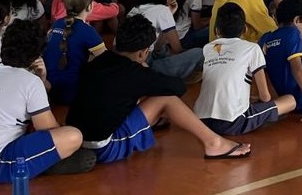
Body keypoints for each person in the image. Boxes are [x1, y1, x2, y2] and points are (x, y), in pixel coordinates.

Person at [67, 16, 252, 163]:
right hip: (103, 146)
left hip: (75, 139)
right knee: (167, 99)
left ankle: (155, 122)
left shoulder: (97, 61)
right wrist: (146, 70)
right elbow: (177, 87)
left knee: (129, 95)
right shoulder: (135, 73)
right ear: (143, 52)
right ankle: (214, 142)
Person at [0, 21, 88, 182]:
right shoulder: (30, 82)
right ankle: (44, 164)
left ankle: (42, 160)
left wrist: (41, 79)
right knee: (73, 136)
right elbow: (47, 129)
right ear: (38, 53)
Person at [195, 3, 296, 136]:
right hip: (233, 122)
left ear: (217, 31)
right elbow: (265, 97)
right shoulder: (252, 48)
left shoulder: (208, 48)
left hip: (201, 121)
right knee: (290, 100)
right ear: (245, 29)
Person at [128, 0, 204, 79]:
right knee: (199, 53)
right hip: (144, 67)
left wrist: (170, 14)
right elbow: (177, 49)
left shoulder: (135, 9)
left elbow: (158, 47)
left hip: (130, 64)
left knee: (162, 48)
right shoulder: (162, 11)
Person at [44, 0, 106, 104]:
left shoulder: (57, 23)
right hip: (72, 93)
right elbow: (107, 59)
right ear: (90, 6)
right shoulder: (88, 31)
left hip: (48, 88)